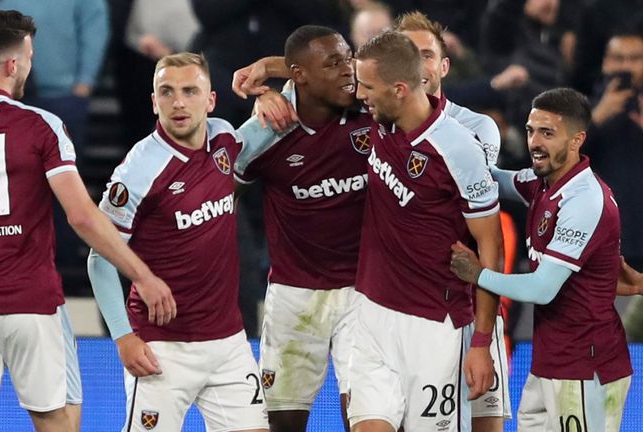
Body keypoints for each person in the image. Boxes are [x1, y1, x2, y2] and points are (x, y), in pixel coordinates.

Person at [0, 10, 174, 432]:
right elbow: (81, 215)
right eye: (27, 57)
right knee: (57, 424)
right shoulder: (40, 125)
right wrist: (142, 275)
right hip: (32, 305)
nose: (29, 65)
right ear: (13, 64)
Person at [86, 52, 269, 432]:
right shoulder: (139, 170)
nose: (179, 102)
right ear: (154, 102)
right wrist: (123, 337)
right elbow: (99, 259)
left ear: (211, 99)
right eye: (166, 92)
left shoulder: (222, 138)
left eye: (190, 90)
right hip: (162, 349)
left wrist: (274, 96)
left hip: (228, 343)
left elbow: (265, 130)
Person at [450, 87, 633, 432]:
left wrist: (477, 274)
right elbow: (498, 181)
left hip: (586, 367)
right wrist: (452, 153)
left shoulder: (585, 200)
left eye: (547, 133)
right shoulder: (542, 182)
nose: (535, 142)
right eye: (531, 130)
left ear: (577, 140)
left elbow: (542, 288)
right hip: (550, 362)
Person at [350, 31, 502, 432]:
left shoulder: (458, 147)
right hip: (371, 312)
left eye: (366, 87)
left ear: (399, 89)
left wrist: (483, 342)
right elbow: (318, 68)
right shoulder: (379, 118)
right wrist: (269, 72)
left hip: (433, 325)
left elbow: (491, 243)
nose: (358, 94)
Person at [232, 25, 371, 432]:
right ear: (301, 76)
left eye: (349, 58)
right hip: (294, 296)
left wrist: (265, 66)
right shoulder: (263, 133)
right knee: (282, 422)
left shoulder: (372, 110)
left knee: (366, 417)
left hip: (363, 292)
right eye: (335, 63)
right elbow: (220, 201)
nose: (349, 70)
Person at [394, 11, 511, 431]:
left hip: (469, 299)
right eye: (406, 54)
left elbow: (474, 222)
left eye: (426, 54)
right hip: (404, 305)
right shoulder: (374, 123)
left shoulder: (476, 128)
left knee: (486, 422)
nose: (418, 64)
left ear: (443, 66)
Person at [583, 29, 643, 342]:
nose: (627, 66)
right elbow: (553, 164)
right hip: (608, 256)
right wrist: (598, 115)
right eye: (618, 58)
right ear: (605, 63)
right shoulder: (581, 111)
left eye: (635, 59)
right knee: (612, 351)